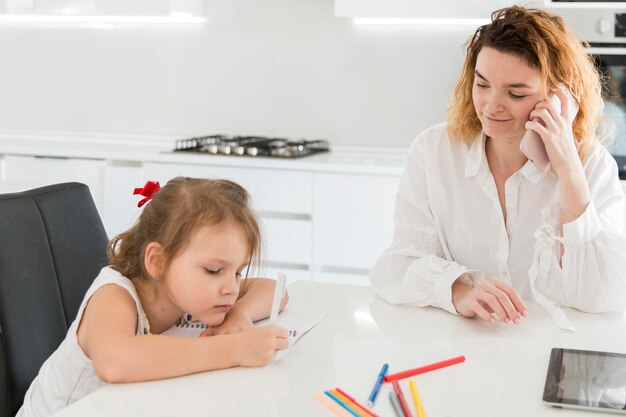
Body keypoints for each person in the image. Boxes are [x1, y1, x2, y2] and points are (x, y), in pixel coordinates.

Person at [370, 6, 626, 327]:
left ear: (558, 99)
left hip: (551, 355)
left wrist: (568, 170)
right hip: (463, 348)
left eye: (516, 93)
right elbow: (394, 267)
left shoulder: (592, 166)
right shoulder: (433, 151)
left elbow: (606, 295)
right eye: (482, 84)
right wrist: (459, 291)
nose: (491, 106)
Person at [17, 177, 290, 417]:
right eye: (214, 270)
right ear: (158, 261)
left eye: (239, 272)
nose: (231, 287)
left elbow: (276, 292)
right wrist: (235, 349)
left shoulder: (193, 292)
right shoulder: (114, 294)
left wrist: (239, 314)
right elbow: (114, 362)